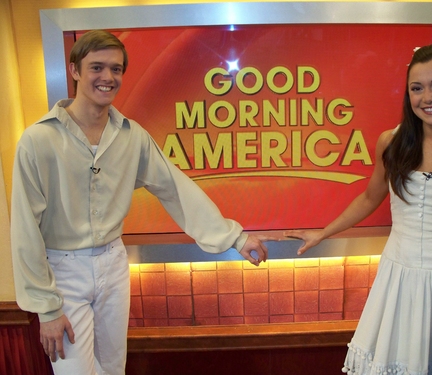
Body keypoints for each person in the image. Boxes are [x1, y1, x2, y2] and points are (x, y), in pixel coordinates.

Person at [10, 30, 272, 375]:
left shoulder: (132, 136)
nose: (107, 78)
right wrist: (46, 308)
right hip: (62, 270)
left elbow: (175, 188)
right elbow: (25, 227)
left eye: (116, 70)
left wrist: (234, 238)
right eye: (97, 67)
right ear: (74, 70)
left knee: (113, 368)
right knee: (74, 371)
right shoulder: (38, 140)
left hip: (113, 263)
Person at [285, 41, 432, 374]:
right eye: (417, 88)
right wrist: (323, 232)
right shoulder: (392, 142)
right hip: (400, 280)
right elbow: (371, 197)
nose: (427, 97)